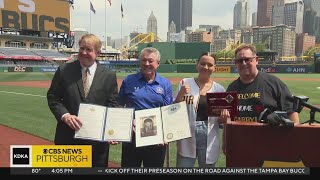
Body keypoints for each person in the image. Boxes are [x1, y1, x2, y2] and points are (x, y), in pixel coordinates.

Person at [47, 34, 119, 167]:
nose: (84, 53)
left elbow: (113, 105)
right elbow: (53, 96)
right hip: (67, 138)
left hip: (97, 144)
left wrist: (113, 130)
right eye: (81, 48)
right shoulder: (64, 70)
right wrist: (65, 115)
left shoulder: (109, 75)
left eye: (89, 50)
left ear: (98, 53)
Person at [118, 47, 173, 167]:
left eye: (150, 61)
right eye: (143, 60)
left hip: (156, 138)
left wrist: (166, 134)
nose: (146, 64)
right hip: (132, 136)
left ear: (158, 63)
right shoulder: (129, 80)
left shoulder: (165, 84)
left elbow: (167, 111)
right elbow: (119, 105)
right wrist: (128, 121)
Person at [173, 52, 229, 167]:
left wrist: (223, 118)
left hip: (209, 135)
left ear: (214, 68)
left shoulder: (219, 89)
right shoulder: (185, 83)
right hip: (187, 135)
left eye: (210, 65)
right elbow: (173, 111)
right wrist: (180, 95)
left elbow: (221, 122)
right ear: (197, 65)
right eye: (202, 63)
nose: (206, 67)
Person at [226, 44, 299, 123]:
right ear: (235, 63)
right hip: (240, 134)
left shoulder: (274, 83)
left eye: (247, 59)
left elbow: (291, 113)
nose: (244, 63)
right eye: (240, 61)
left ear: (256, 60)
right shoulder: (232, 88)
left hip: (268, 135)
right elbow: (228, 120)